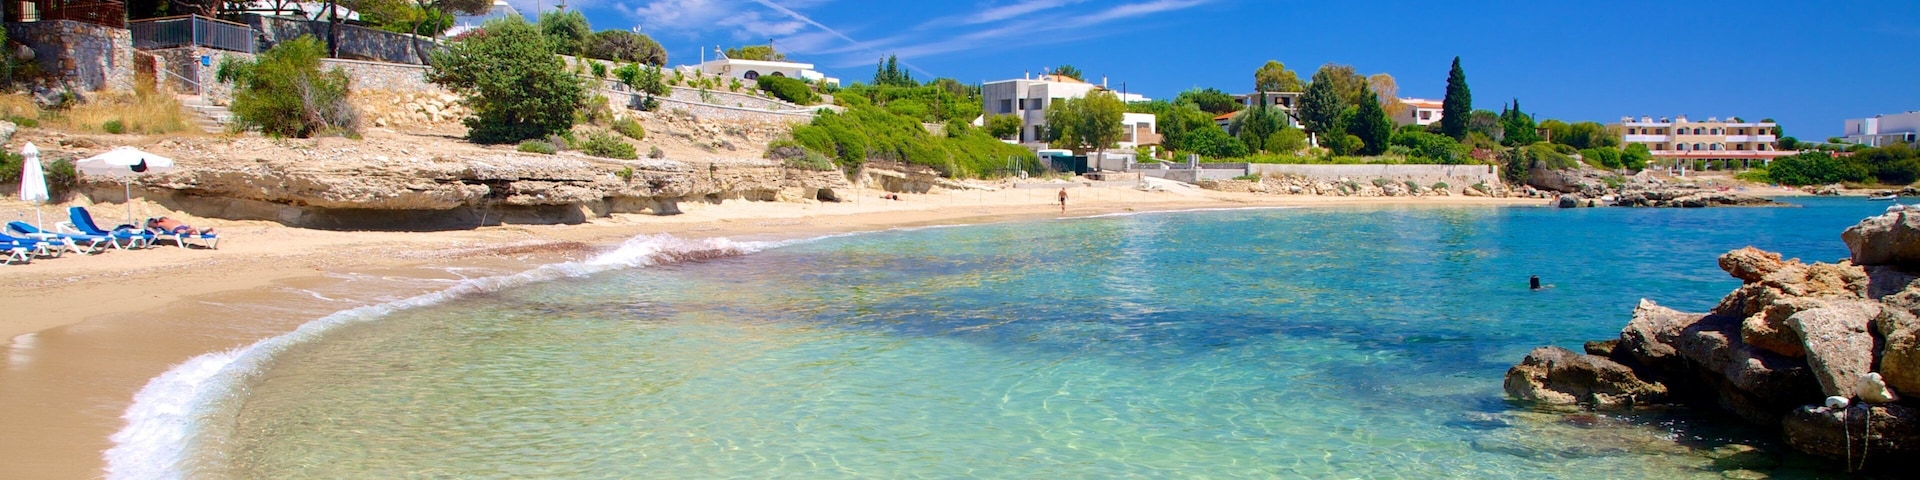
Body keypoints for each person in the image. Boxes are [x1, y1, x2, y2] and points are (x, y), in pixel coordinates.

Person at [146, 217, 214, 236]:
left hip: (177, 228)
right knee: (193, 233)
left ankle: (194, 229)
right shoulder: (173, 220)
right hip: (183, 225)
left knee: (183, 232)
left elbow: (149, 224)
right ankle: (209, 229)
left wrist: (154, 220)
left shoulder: (162, 223)